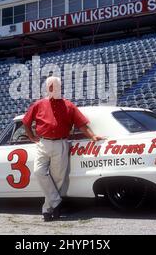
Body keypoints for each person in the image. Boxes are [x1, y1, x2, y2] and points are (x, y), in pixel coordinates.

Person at [22, 76, 105, 222]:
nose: (53, 89)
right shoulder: (38, 104)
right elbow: (26, 122)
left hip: (61, 143)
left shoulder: (68, 105)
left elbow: (81, 124)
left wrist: (92, 136)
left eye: (55, 86)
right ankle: (57, 202)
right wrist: (31, 137)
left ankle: (48, 209)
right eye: (50, 86)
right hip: (43, 143)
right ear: (47, 88)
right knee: (38, 171)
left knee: (58, 178)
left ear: (60, 87)